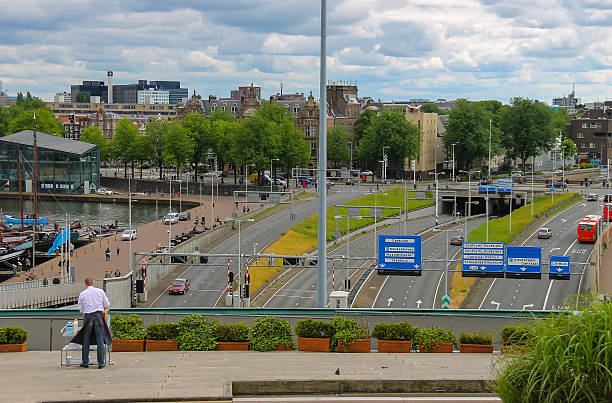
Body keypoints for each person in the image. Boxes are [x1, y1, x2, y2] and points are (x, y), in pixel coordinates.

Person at [72, 278, 112, 369]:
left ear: (85, 284)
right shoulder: (100, 291)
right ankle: (101, 363)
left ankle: (85, 362)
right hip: (98, 316)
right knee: (100, 340)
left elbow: (81, 309)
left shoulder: (82, 294)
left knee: (86, 339)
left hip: (88, 317)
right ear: (93, 283)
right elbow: (107, 304)